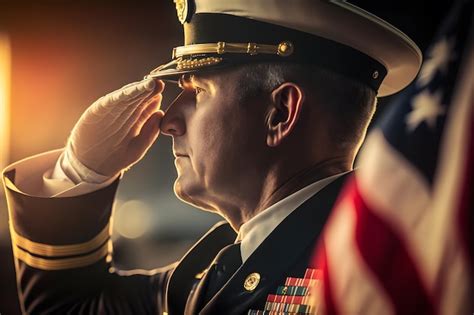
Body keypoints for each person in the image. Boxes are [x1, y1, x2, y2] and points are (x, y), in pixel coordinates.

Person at [2, 0, 422, 314]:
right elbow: (73, 308)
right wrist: (78, 171)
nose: (169, 120)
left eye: (198, 92)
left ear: (280, 113)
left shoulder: (379, 276)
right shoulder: (213, 271)